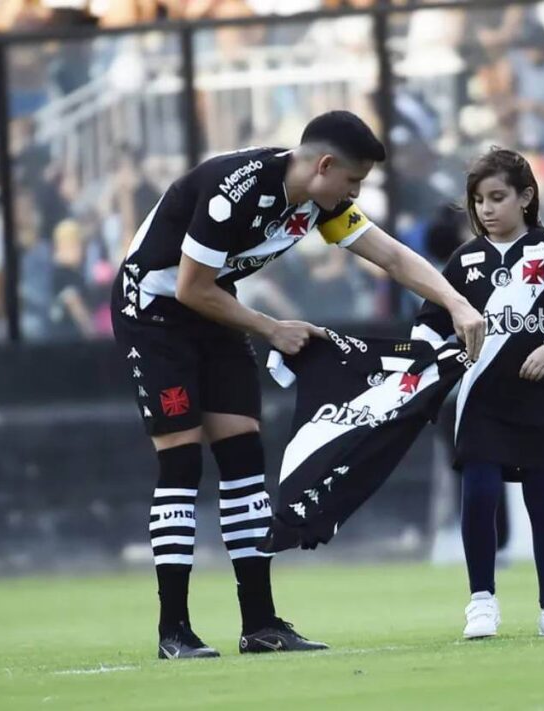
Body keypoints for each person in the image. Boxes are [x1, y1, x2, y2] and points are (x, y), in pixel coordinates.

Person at [111, 111, 485, 659]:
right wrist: (271, 329)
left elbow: (390, 255)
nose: (354, 194)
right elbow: (190, 288)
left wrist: (455, 302)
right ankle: (175, 631)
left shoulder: (317, 204)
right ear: (324, 165)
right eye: (352, 182)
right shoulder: (231, 190)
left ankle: (259, 624)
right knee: (182, 462)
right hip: (155, 315)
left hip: (216, 314)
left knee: (242, 458)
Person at [412, 148, 544, 640]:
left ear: (526, 197)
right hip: (479, 401)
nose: (487, 209)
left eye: (498, 197)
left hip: (538, 400)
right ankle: (481, 602)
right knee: (479, 495)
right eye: (478, 200)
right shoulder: (465, 261)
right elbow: (428, 326)